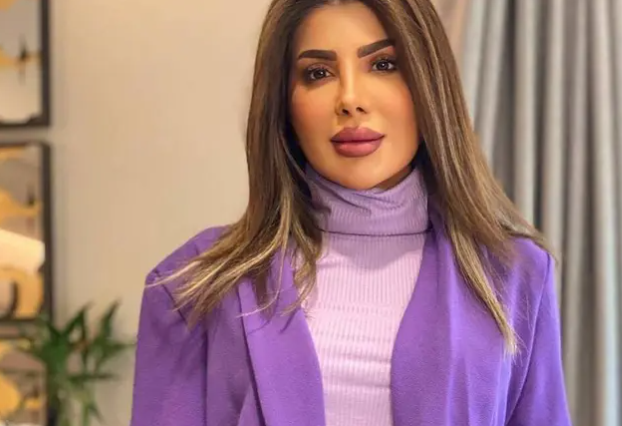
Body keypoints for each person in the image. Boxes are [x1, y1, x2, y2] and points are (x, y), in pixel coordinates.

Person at [130, 0, 571, 425]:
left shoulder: (516, 277)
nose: (350, 99)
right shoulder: (194, 286)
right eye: (317, 73)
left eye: (383, 64)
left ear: (428, 86)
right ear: (284, 105)